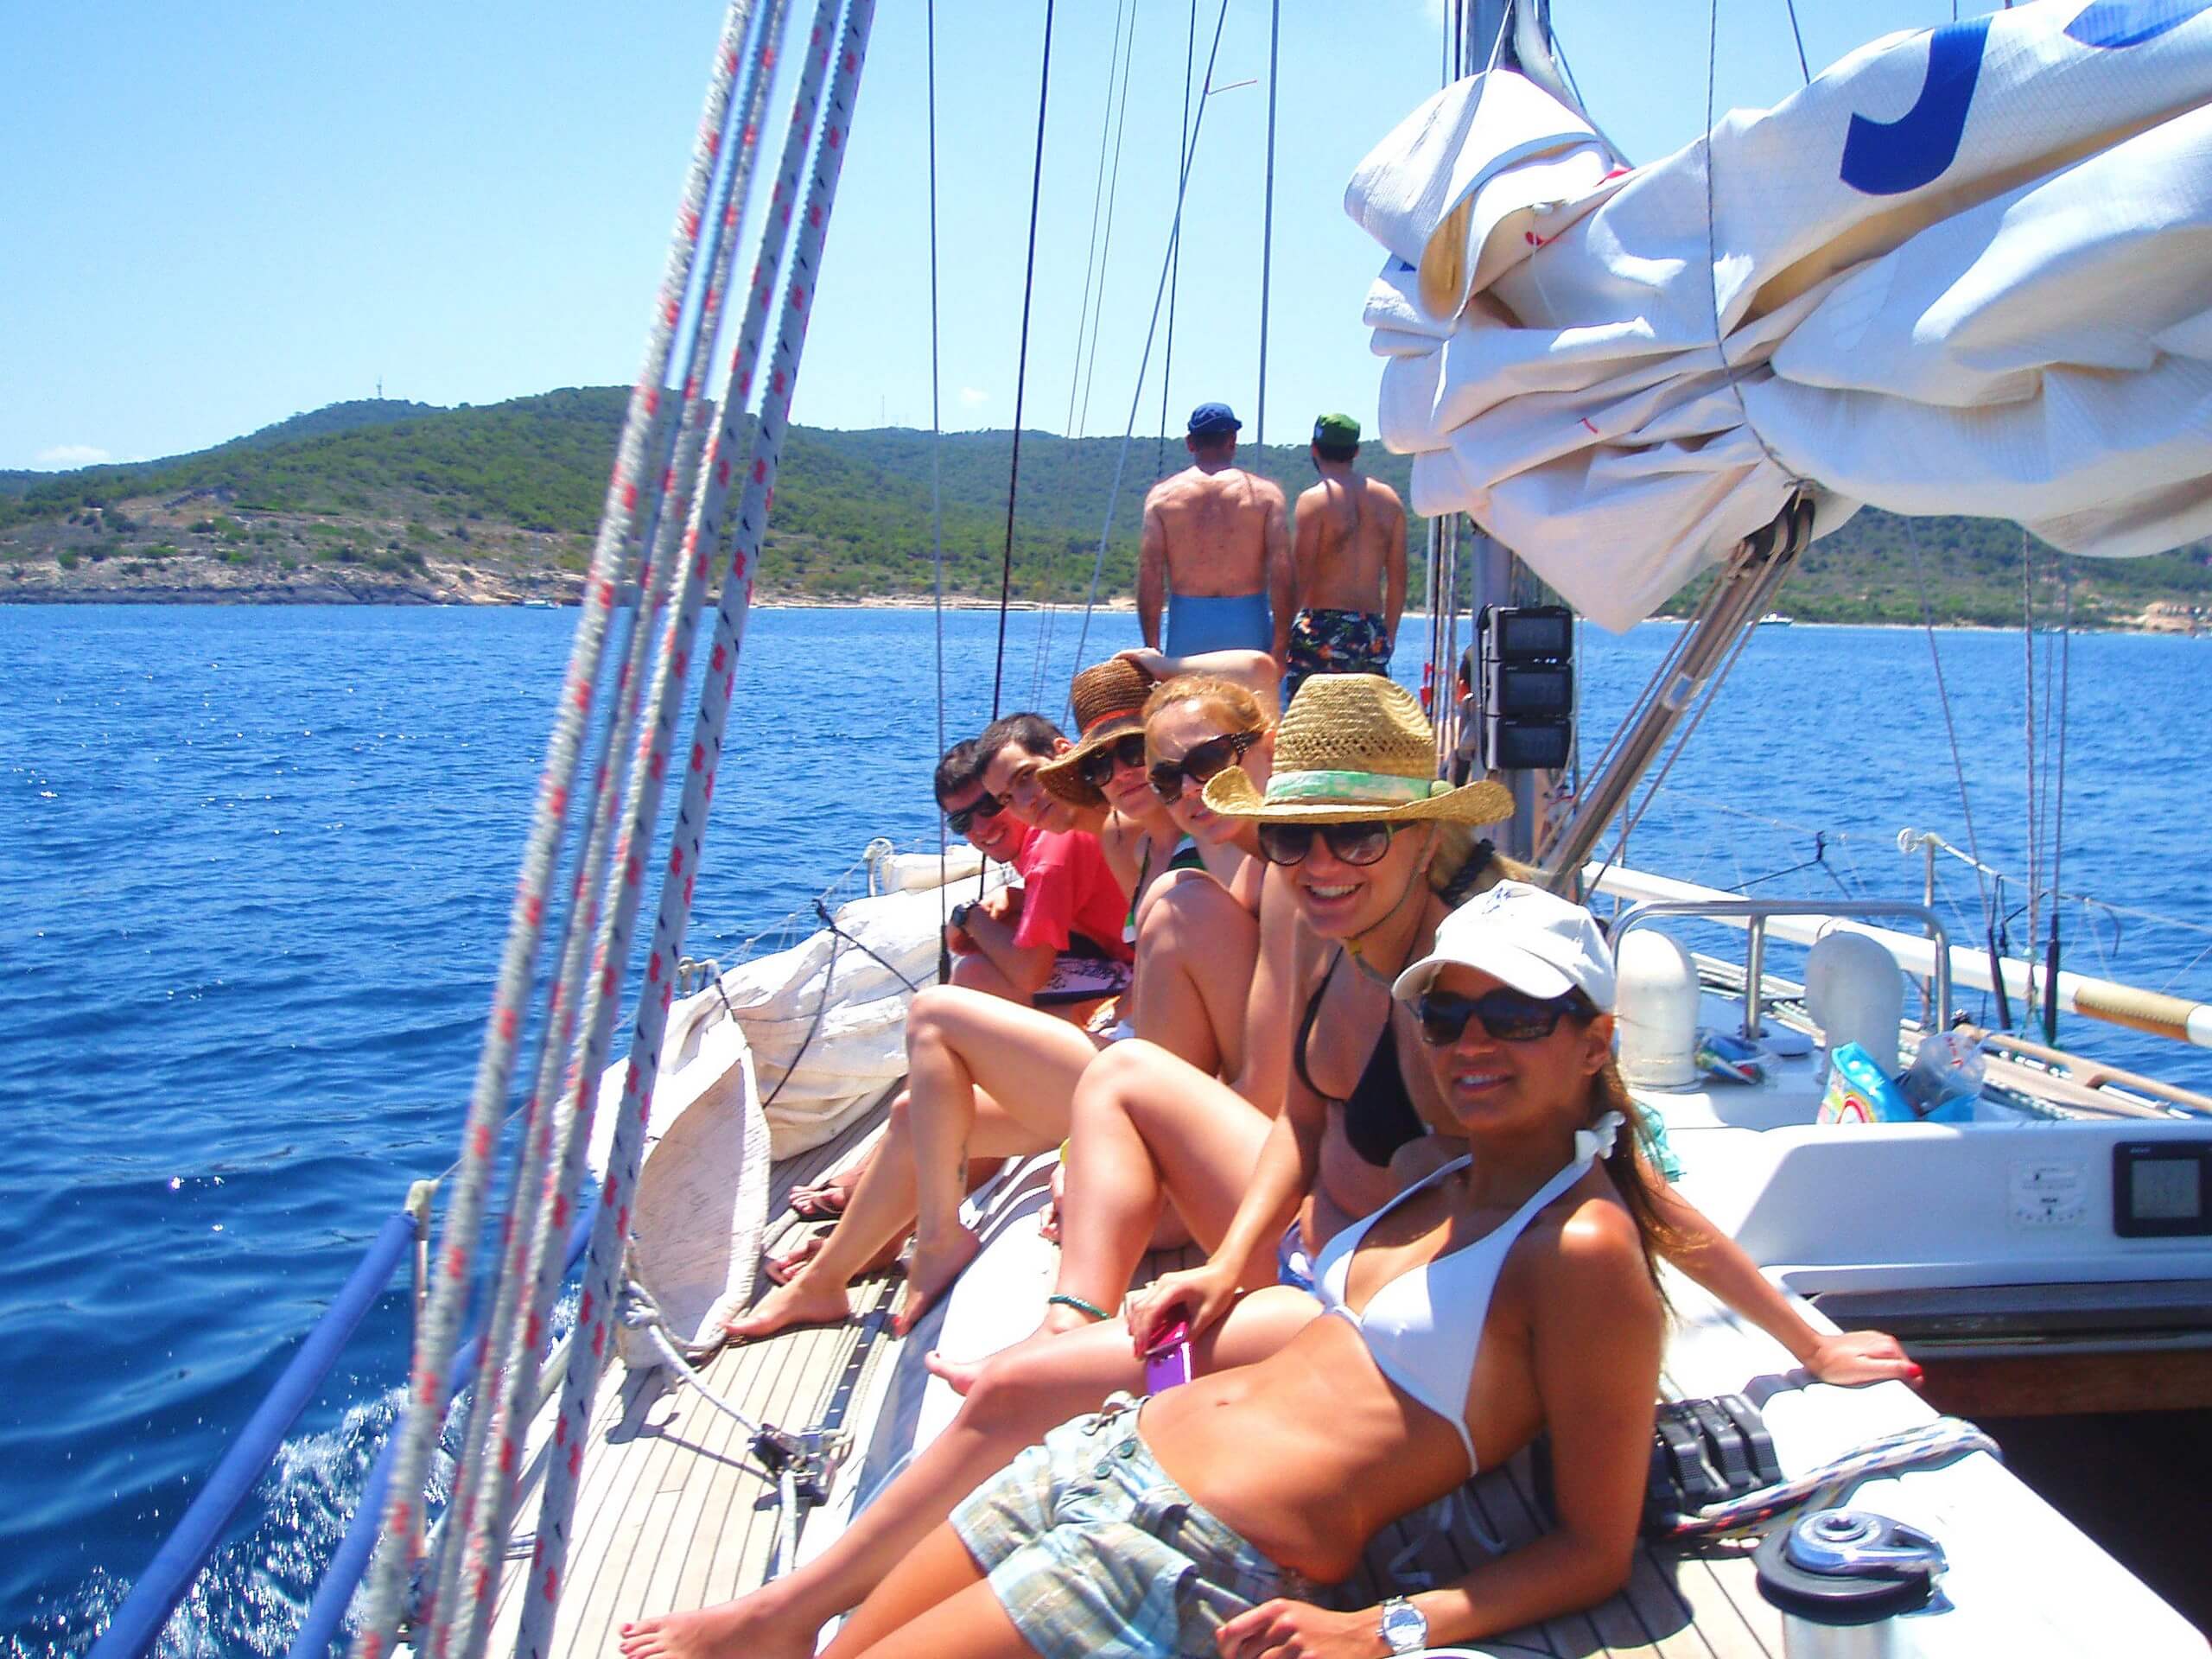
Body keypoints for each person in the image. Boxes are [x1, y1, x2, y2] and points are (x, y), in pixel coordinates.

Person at [618, 887, 1916, 1659]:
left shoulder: (1579, 1249)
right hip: (1109, 1469)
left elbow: (1587, 1546)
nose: (1471, 1045)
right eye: (1447, 1016)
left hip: (1188, 1555)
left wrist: (1378, 1632)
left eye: (1514, 1018)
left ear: (1592, 1041)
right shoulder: (1451, 1181)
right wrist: (1218, 1286)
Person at [1138, 403, 1292, 668]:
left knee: (1186, 706)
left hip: (1188, 628)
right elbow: (1283, 570)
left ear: (1190, 443)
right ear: (1232, 441)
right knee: (1253, 708)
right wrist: (1281, 646)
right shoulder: (1266, 496)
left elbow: (1150, 572)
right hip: (1249, 626)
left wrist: (1152, 648)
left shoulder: (1162, 498)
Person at [1285, 412, 1407, 703]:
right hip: (1370, 629)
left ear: (1314, 449)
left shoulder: (1314, 501)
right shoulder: (1390, 501)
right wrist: (1386, 636)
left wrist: (1280, 641)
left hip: (1321, 628)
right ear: (1356, 451)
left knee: (1312, 729)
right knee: (1363, 731)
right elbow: (1398, 580)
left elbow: (1299, 579)